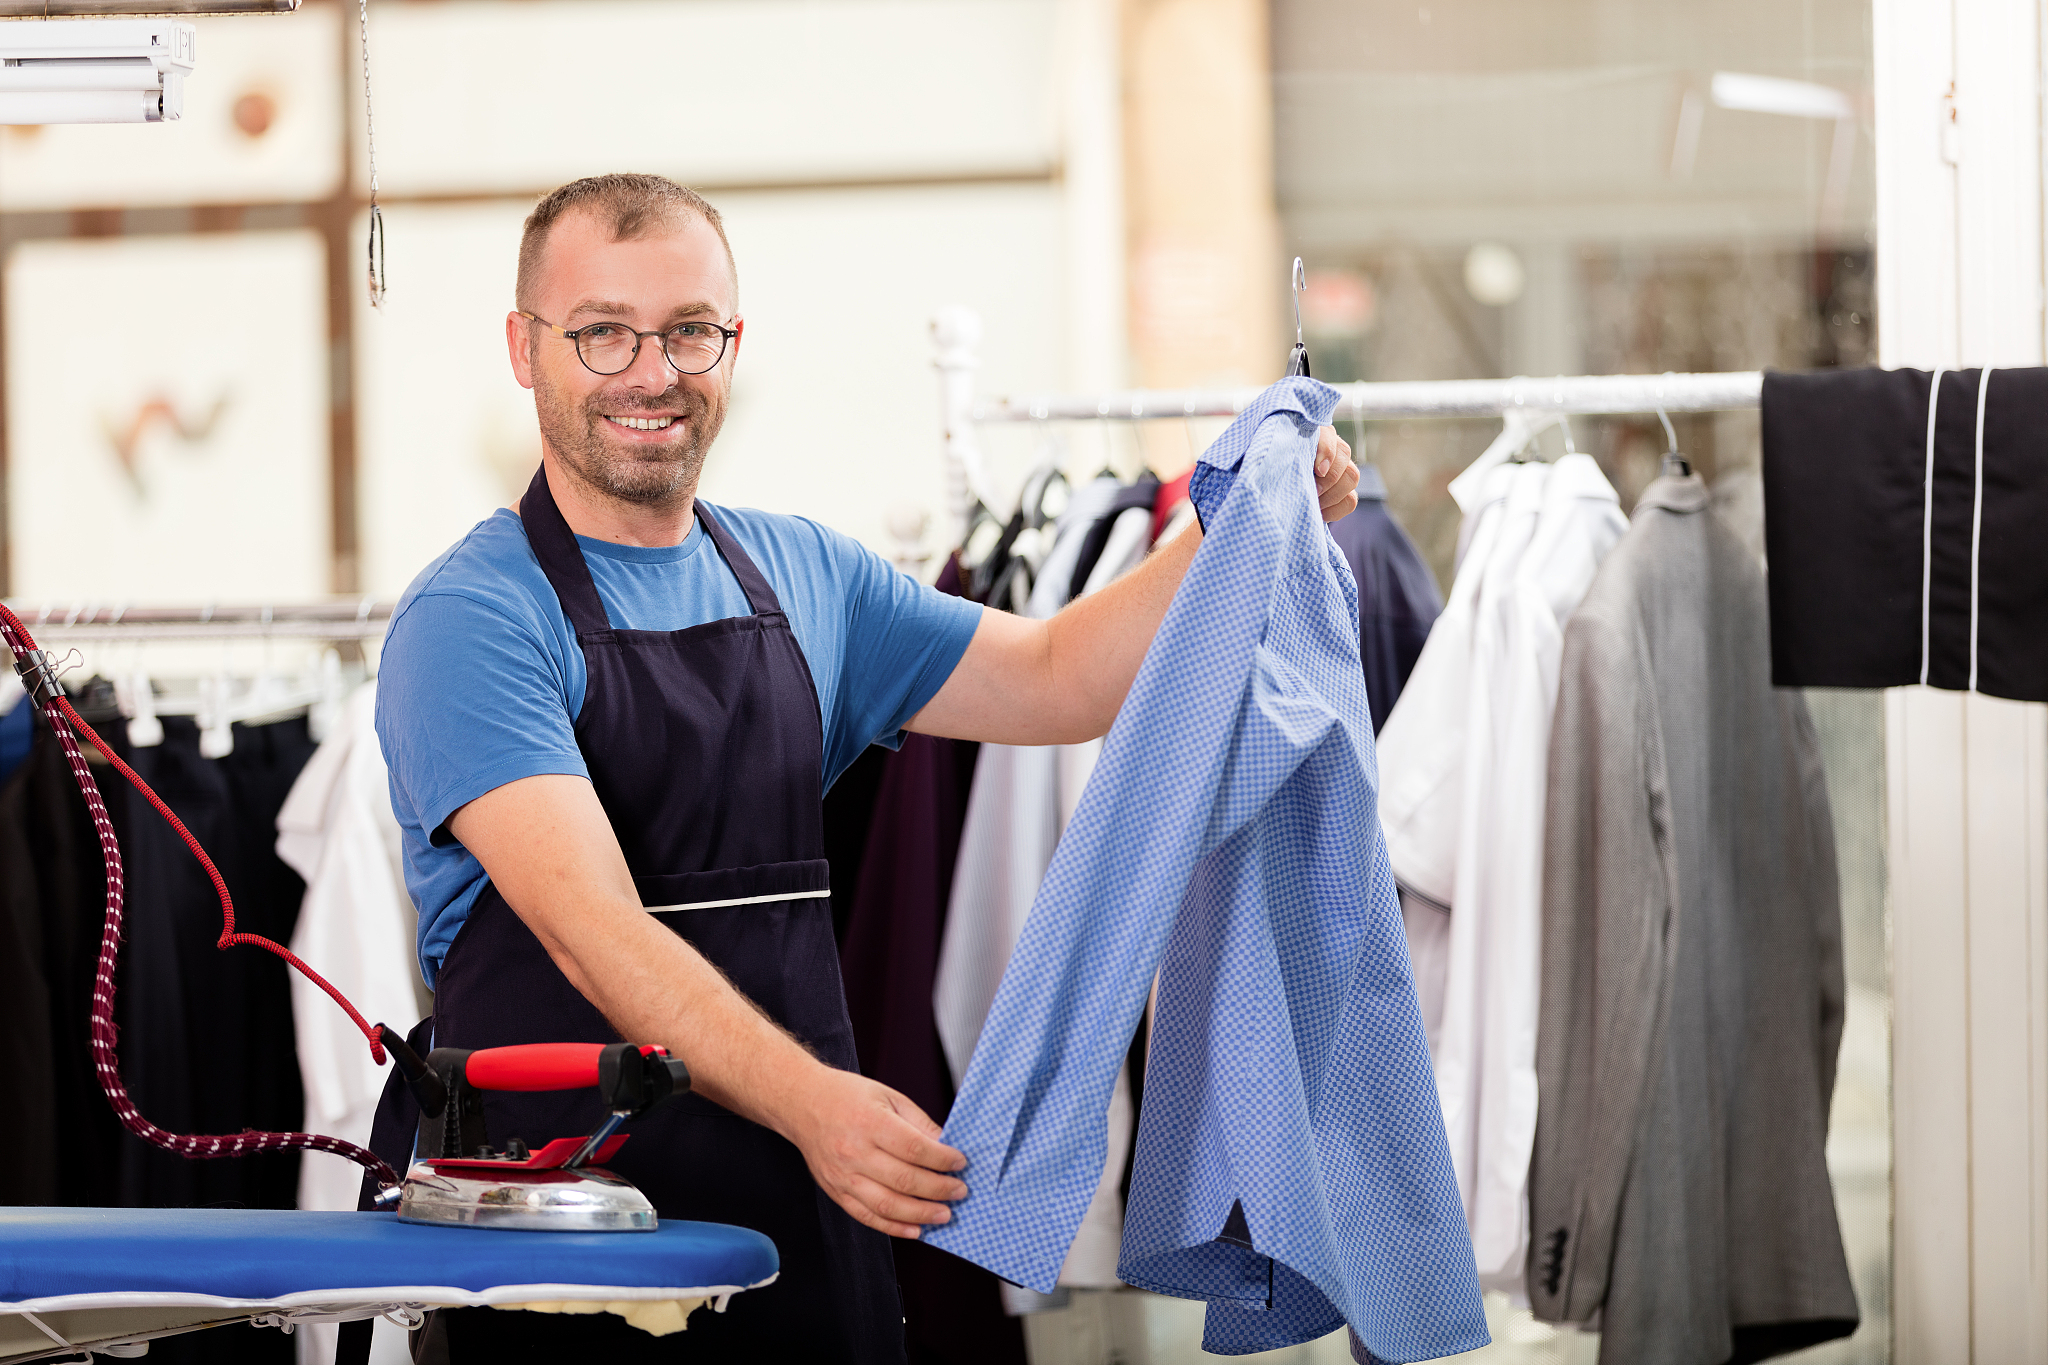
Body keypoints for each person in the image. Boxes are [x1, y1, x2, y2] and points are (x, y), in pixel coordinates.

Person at [369, 172, 1359, 1362]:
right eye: (601, 334)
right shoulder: (473, 620)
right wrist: (820, 1109)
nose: (651, 372)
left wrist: (1235, 521)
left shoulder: (805, 579)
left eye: (690, 331)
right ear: (526, 350)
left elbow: (1054, 676)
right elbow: (596, 936)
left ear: (733, 343)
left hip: (807, 1211)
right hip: (558, 1233)